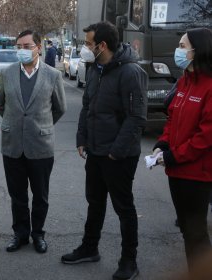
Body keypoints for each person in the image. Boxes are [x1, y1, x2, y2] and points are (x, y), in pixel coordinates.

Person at [61, 21, 148, 280]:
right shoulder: (95, 69)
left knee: (124, 208)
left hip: (118, 155)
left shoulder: (130, 72)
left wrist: (115, 152)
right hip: (95, 151)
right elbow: (87, 106)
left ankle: (129, 261)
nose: (85, 48)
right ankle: (90, 248)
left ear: (102, 45)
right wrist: (81, 138)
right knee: (95, 202)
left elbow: (137, 118)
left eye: (88, 43)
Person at [0, 30, 67, 254]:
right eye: (19, 46)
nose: (22, 50)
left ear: (39, 48)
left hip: (41, 146)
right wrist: (15, 123)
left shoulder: (52, 75)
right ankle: (20, 234)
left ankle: (38, 234)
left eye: (27, 46)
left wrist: (41, 126)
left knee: (40, 195)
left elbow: (60, 108)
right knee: (17, 195)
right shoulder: (6, 74)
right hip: (12, 144)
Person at [152, 27, 212, 271]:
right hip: (176, 171)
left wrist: (174, 155)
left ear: (198, 51)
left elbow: (205, 136)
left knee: (196, 234)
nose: (178, 50)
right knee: (188, 231)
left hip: (197, 174)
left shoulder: (209, 86)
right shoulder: (185, 81)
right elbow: (171, 119)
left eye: (183, 45)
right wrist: (162, 144)